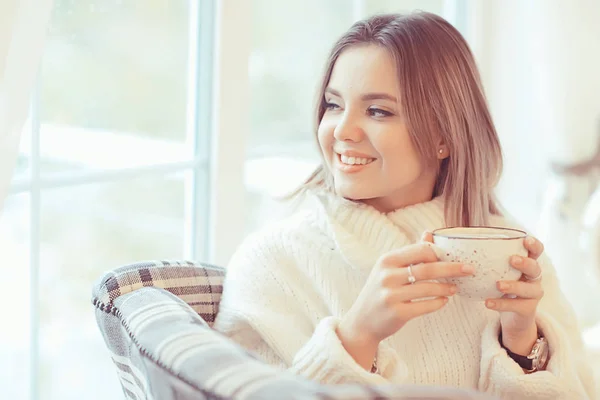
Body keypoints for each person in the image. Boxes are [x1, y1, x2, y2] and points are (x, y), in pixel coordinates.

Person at [213, 12, 596, 399]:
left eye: (378, 111)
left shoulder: (513, 256)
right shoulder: (271, 263)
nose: (343, 130)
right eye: (333, 105)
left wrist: (521, 343)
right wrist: (357, 337)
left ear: (443, 135)